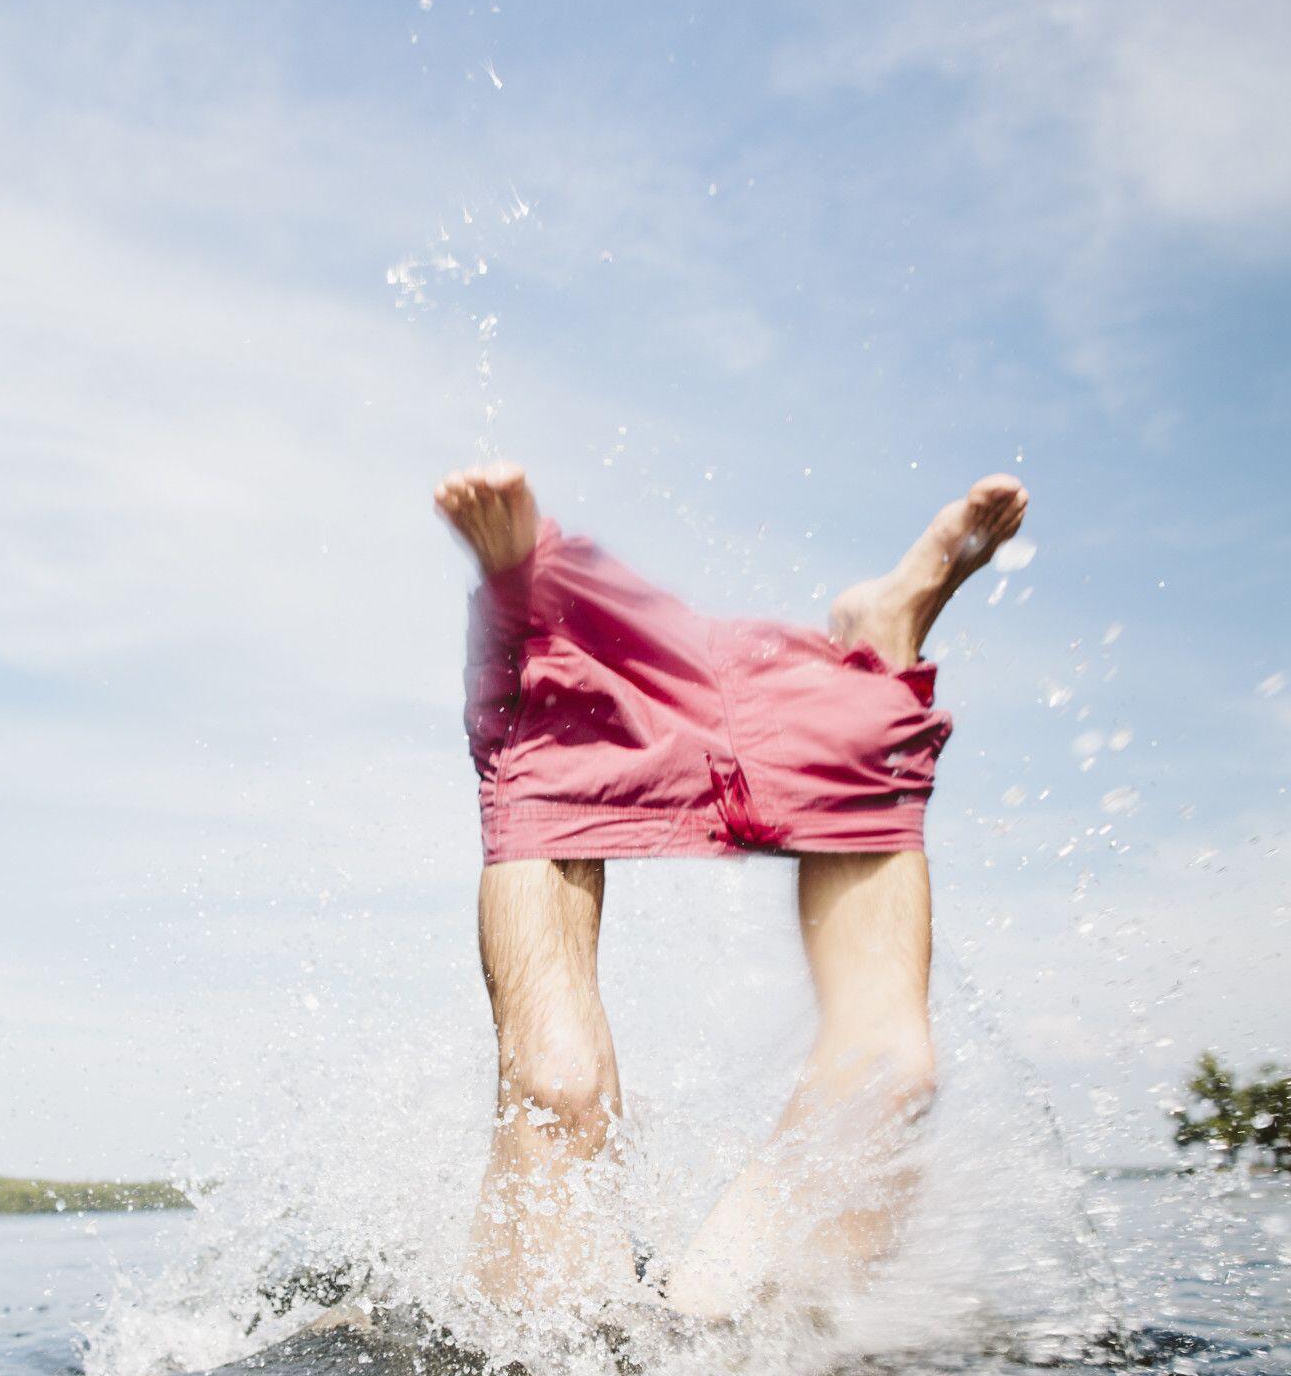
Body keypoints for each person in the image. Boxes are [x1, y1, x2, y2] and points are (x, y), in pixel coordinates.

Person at [434, 462, 1029, 1320]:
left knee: (890, 1082)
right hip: (549, 1352)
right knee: (556, 1087)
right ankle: (536, 623)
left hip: (695, 1349)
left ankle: (880, 648)